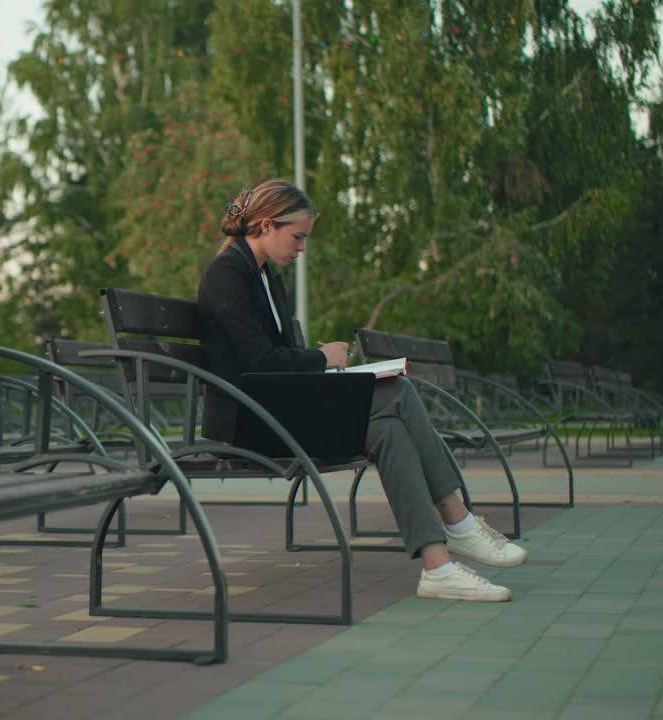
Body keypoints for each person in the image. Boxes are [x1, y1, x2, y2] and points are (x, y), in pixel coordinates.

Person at [196, 179, 527, 602]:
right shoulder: (227, 274)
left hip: (272, 408)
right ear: (265, 226)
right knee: (398, 394)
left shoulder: (264, 276)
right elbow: (256, 363)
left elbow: (273, 357)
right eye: (297, 237)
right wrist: (323, 360)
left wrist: (317, 362)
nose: (302, 248)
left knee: (388, 428)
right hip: (244, 422)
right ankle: (457, 519)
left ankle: (438, 567)